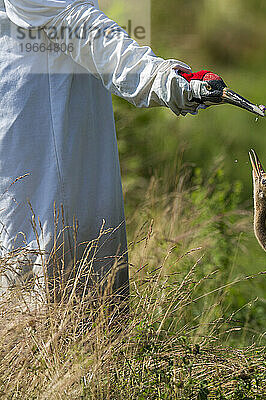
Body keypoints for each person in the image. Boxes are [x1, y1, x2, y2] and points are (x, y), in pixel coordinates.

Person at [0, 0, 248, 306]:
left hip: (54, 106)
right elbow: (82, 28)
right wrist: (163, 80)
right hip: (35, 117)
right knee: (40, 250)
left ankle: (85, 347)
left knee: (67, 256)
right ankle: (46, 347)